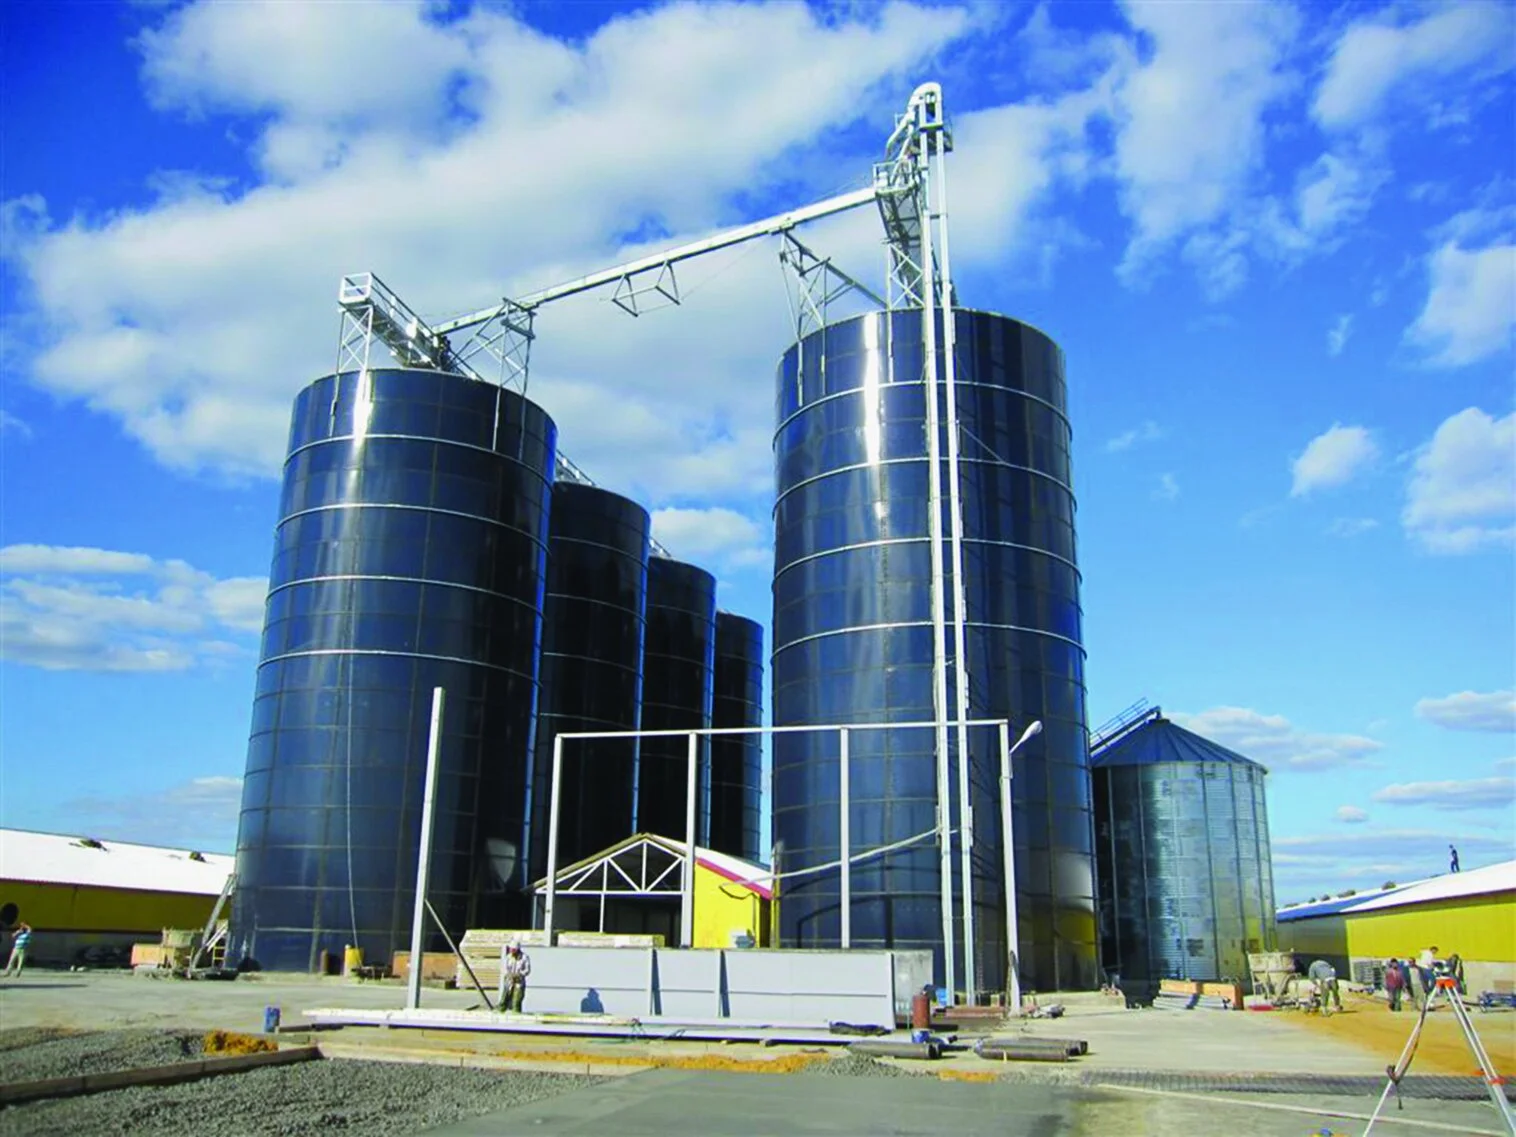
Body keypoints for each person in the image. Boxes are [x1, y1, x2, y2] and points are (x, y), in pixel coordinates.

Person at [502, 942, 531, 1013]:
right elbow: (505, 969)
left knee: (517, 1000)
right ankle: (501, 1011)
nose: (512, 951)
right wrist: (509, 975)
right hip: (509, 981)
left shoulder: (525, 957)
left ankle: (516, 1013)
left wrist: (519, 974)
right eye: (511, 949)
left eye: (513, 950)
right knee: (504, 999)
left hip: (519, 982)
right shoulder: (508, 957)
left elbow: (527, 970)